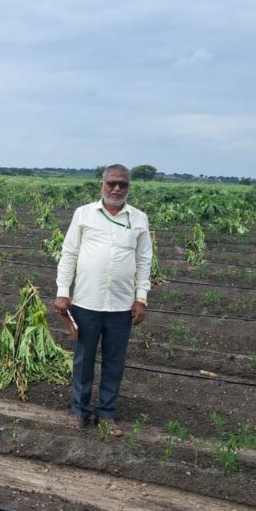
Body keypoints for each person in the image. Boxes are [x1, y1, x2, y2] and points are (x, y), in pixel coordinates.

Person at [53, 165, 152, 436]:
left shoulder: (139, 219)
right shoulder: (84, 214)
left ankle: (107, 413)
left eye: (122, 184)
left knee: (114, 361)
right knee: (83, 359)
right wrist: (63, 291)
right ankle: (80, 411)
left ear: (129, 187)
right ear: (102, 185)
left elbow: (144, 261)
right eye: (112, 183)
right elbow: (69, 253)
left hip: (121, 305)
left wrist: (140, 298)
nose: (116, 189)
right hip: (87, 302)